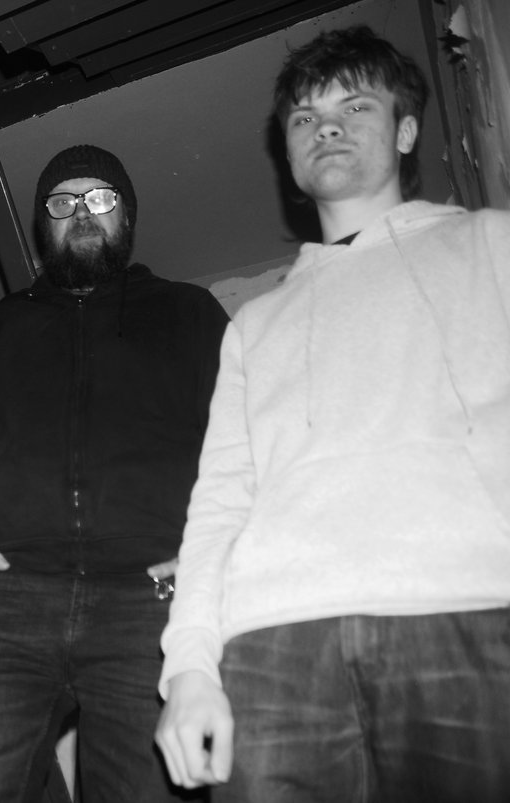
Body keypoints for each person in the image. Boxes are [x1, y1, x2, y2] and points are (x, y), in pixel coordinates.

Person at [154, 25, 510, 802]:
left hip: (468, 613)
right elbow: (218, 507)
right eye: (305, 117)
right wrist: (189, 670)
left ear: (406, 131)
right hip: (270, 650)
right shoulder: (253, 325)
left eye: (355, 106)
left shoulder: (493, 247)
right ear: (287, 151)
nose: (328, 127)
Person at [0, 144, 229, 802]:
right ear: (46, 227)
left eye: (100, 198)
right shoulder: (2, 326)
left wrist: (214, 554)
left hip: (153, 603)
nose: (82, 212)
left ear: (127, 217)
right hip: (8, 598)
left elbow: (246, 442)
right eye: (62, 203)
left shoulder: (191, 313)